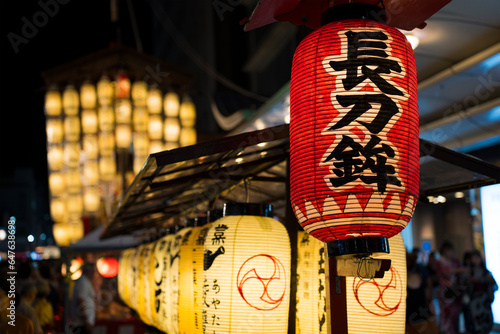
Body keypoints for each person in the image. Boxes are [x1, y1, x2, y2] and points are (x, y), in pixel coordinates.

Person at [461, 250, 498, 334]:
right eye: (473, 258)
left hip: (485, 302)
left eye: (477, 257)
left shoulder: (486, 272)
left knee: (486, 323)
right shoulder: (468, 272)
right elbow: (462, 286)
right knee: (475, 324)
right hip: (473, 302)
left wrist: (488, 281)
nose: (475, 260)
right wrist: (470, 281)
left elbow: (495, 286)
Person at [435, 241, 467, 334]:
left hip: (456, 290)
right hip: (445, 292)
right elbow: (446, 272)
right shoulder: (439, 261)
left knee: (455, 314)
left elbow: (462, 272)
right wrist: (460, 270)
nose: (450, 252)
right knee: (446, 314)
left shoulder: (455, 261)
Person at [405, 251, 439, 334]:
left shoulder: (420, 270)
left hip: (421, 312)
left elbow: (429, 284)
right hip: (411, 315)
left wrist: (430, 298)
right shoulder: (405, 271)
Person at [69, 262, 97, 334]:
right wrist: (86, 320)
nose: (94, 274)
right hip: (81, 323)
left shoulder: (85, 281)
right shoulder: (83, 282)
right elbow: (80, 301)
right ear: (89, 271)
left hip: (82, 322)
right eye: (93, 271)